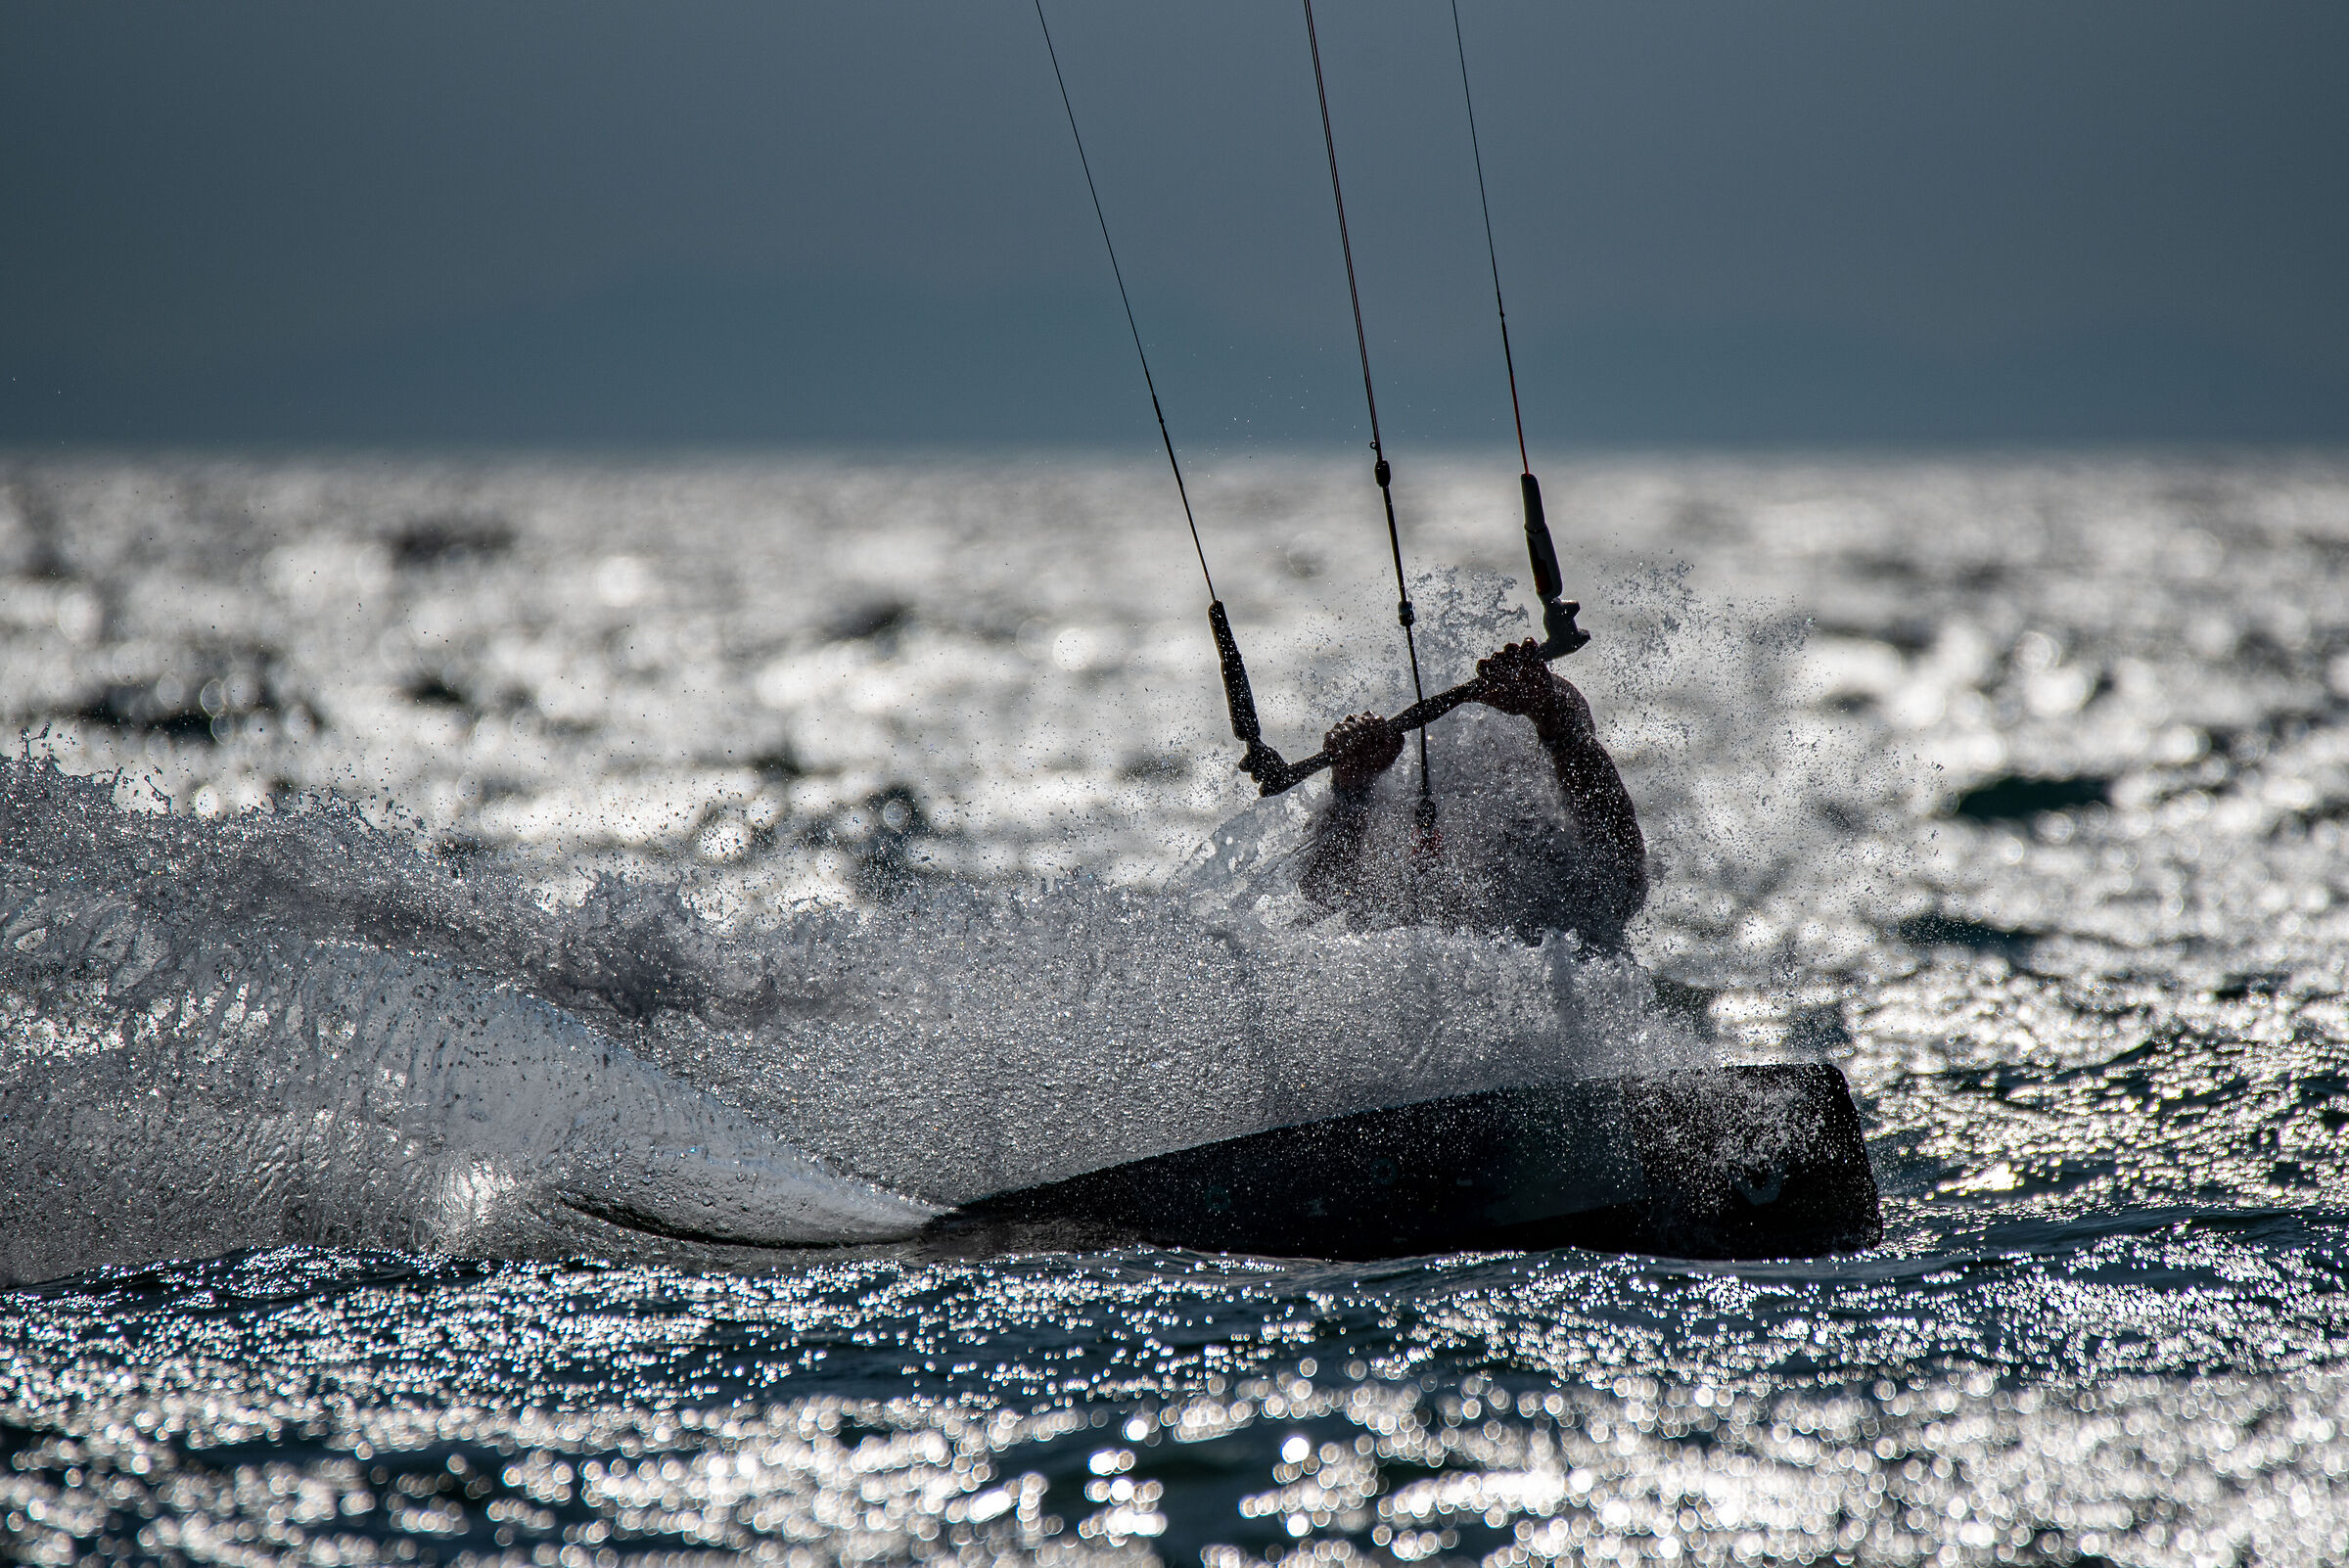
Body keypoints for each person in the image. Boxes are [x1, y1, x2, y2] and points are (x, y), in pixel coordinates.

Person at [1298, 638, 1646, 947]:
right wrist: (1351, 786)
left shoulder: (1564, 856)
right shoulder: (1397, 821)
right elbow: (1321, 899)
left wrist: (1550, 713)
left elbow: (1625, 881)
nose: (1502, 766)